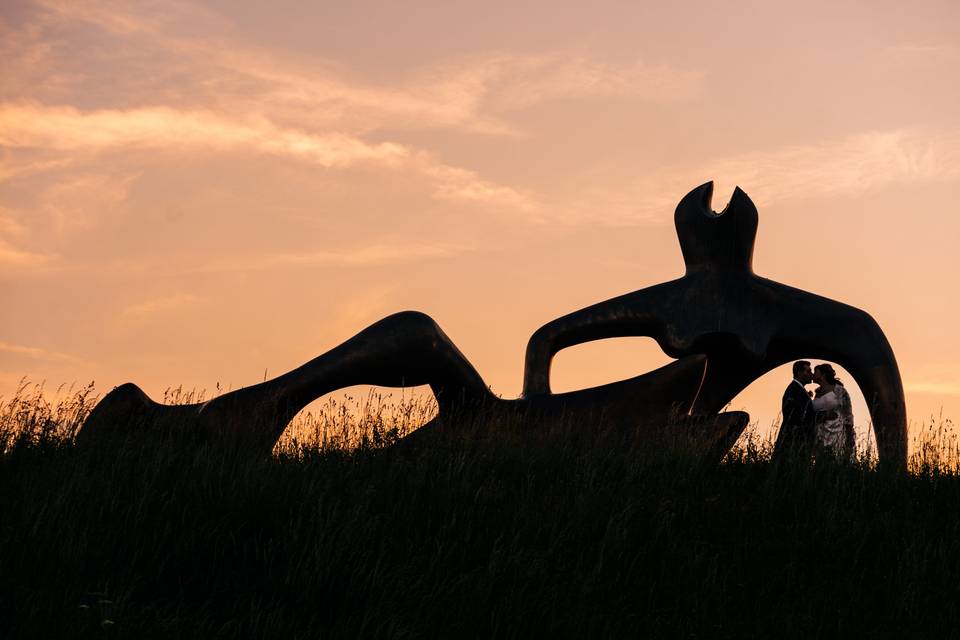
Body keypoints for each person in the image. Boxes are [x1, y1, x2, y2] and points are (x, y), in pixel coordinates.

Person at [773, 360, 816, 460]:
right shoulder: (793, 390)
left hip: (796, 441)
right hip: (792, 441)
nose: (811, 374)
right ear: (799, 373)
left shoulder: (799, 389)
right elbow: (791, 414)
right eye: (808, 371)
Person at [812, 363, 855, 460]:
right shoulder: (817, 392)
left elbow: (848, 413)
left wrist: (849, 434)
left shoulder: (839, 390)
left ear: (823, 375)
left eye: (815, 372)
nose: (813, 374)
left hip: (836, 430)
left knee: (836, 458)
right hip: (820, 432)